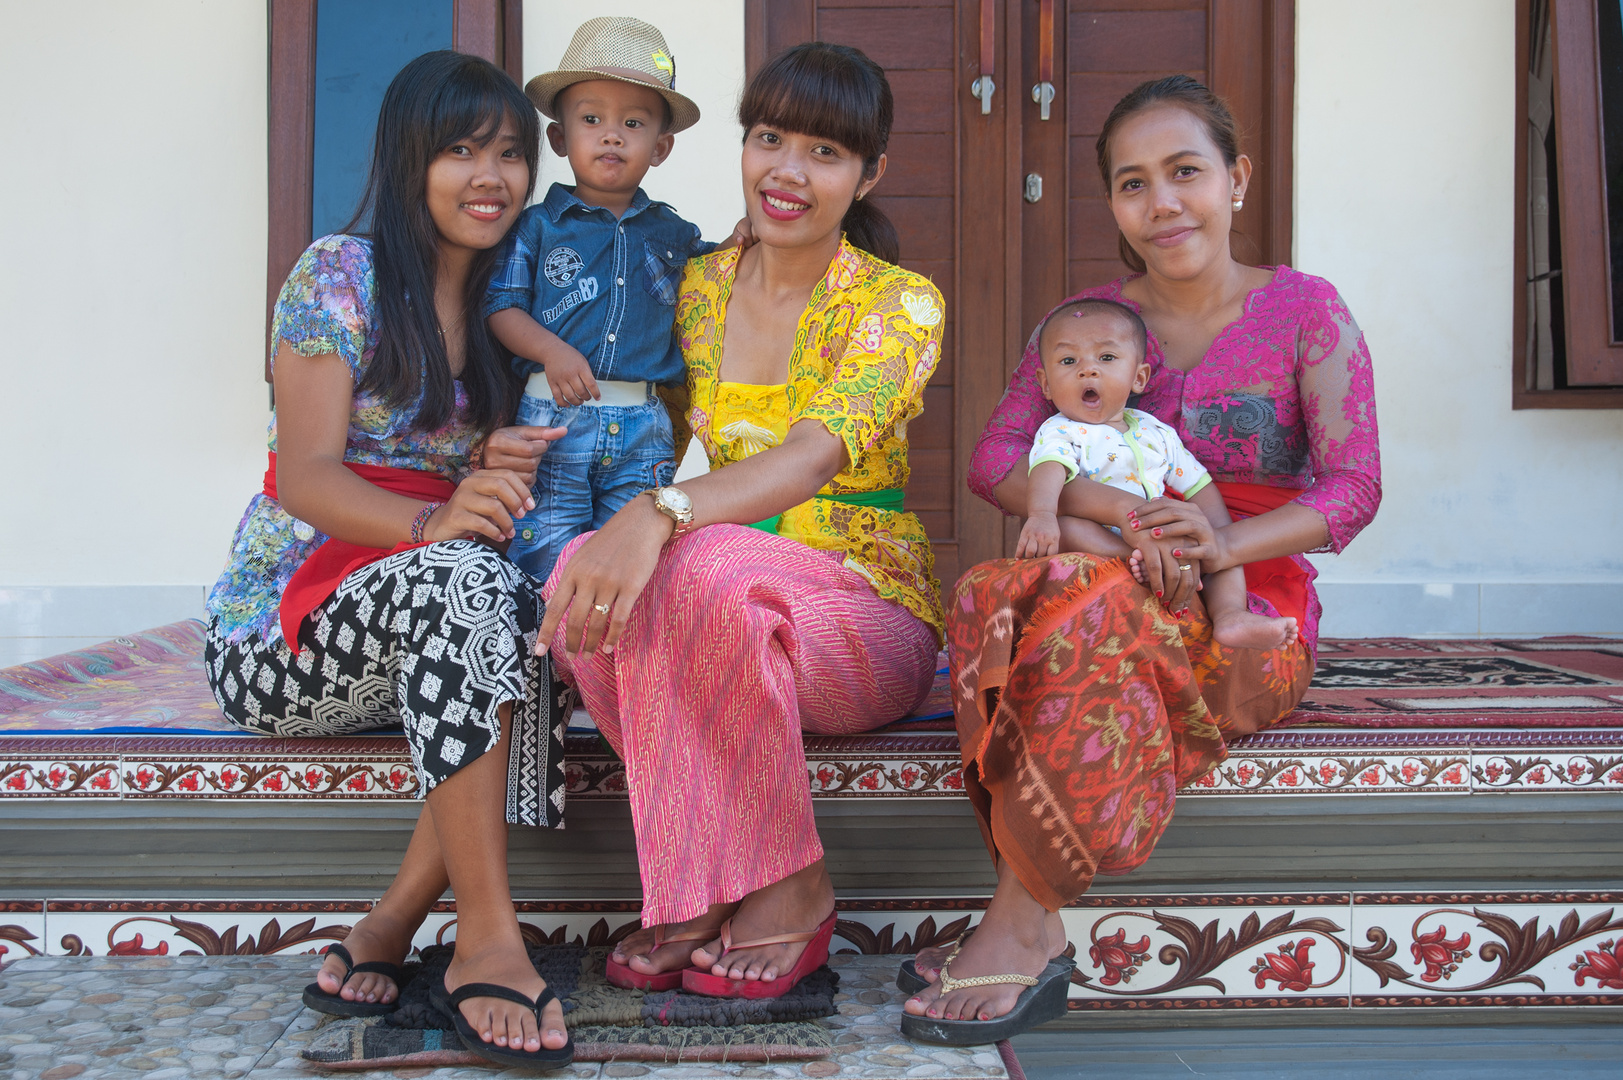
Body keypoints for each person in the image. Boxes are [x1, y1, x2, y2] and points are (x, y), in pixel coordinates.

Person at [899, 74, 1381, 1044]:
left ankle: (1023, 915)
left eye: (1185, 172)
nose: (1160, 203)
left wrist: (1220, 542)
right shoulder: (1086, 328)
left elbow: (1355, 487)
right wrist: (1115, 509)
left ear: (1236, 180)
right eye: (1132, 183)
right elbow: (998, 458)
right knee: (998, 587)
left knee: (1077, 602)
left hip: (1249, 609)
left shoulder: (1306, 314)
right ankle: (1027, 890)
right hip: (1108, 564)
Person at [538, 42, 946, 1000]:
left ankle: (790, 884)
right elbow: (644, 432)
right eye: (769, 139)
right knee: (573, 591)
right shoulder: (701, 287)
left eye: (825, 153)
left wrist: (663, 511)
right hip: (721, 599)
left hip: (862, 613)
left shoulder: (897, 305)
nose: (788, 172)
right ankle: (713, 877)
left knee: (705, 562)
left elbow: (811, 454)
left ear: (869, 173)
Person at [202, 52, 575, 1069]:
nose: (488, 176)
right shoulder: (340, 273)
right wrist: (431, 524)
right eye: (460, 151)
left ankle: (394, 919)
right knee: (470, 588)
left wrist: (497, 472)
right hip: (287, 630)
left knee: (551, 608)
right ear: (410, 158)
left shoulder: (514, 309)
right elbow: (307, 476)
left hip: (436, 631)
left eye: (508, 154)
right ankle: (488, 937)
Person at [486, 17, 709, 582]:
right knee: (544, 551)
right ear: (560, 138)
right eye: (592, 120)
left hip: (642, 422)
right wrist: (553, 352)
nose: (612, 135)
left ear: (659, 148)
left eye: (633, 123)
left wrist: (743, 241)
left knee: (634, 558)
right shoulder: (536, 228)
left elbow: (716, 271)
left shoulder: (673, 234)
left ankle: (608, 668)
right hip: (553, 416)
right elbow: (502, 307)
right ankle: (546, 662)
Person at [1016, 297, 1298, 650]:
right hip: (1102, 536)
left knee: (1220, 554)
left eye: (1106, 358)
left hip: (1159, 531)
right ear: (1045, 384)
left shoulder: (1155, 431)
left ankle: (1230, 615)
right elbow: (1047, 470)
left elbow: (1197, 483)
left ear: (1138, 377)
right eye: (1069, 361)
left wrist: (1215, 532)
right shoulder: (1060, 430)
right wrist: (1041, 514)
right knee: (1068, 527)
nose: (1087, 370)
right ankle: (1128, 559)